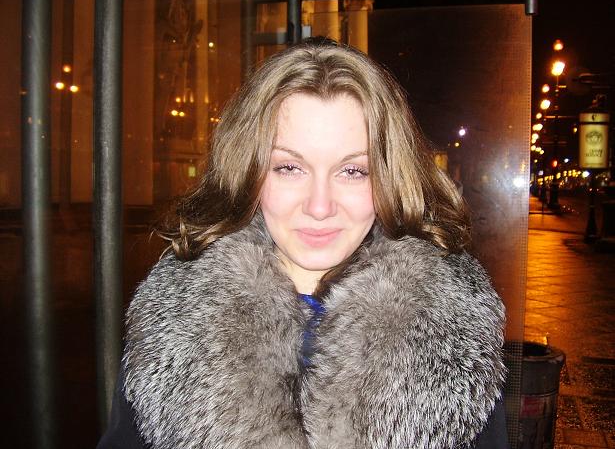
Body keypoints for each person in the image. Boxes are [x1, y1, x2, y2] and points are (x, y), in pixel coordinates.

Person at [98, 38, 508, 449]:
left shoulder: (452, 328)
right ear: (249, 172)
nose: (319, 206)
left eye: (353, 171)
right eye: (289, 167)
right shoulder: (175, 322)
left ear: (390, 177)